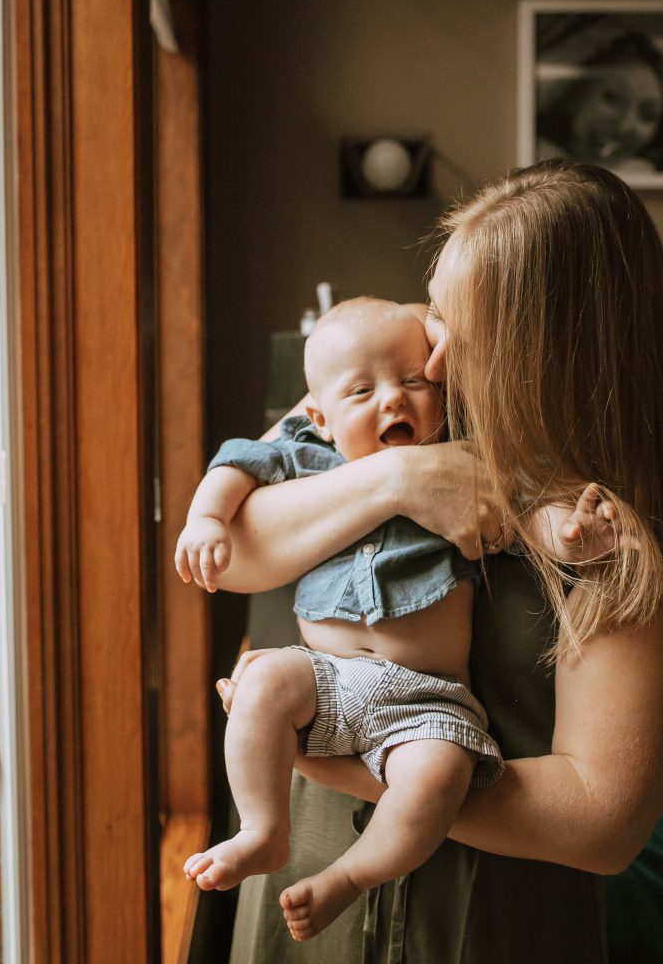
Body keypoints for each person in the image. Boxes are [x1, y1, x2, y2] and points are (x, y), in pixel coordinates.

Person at [211, 161, 663, 963]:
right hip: (301, 898)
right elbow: (237, 551)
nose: (436, 353)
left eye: (463, 329)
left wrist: (334, 753)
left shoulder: (610, 524)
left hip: (488, 927)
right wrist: (396, 479)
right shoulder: (396, 395)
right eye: (436, 316)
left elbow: (603, 824)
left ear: (541, 348)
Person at [177, 297, 618, 942]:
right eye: (364, 390)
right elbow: (235, 465)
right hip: (327, 677)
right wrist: (204, 520)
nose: (392, 399)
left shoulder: (471, 459)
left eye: (413, 381)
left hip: (429, 699)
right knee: (262, 686)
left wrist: (574, 534)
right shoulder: (306, 452)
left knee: (442, 774)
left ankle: (349, 878)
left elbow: (530, 505)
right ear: (319, 415)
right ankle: (262, 830)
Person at [536, 33, 663, 176]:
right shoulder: (534, 157)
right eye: (612, 99)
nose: (624, 126)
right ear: (576, 91)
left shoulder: (646, 174)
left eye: (648, 115)